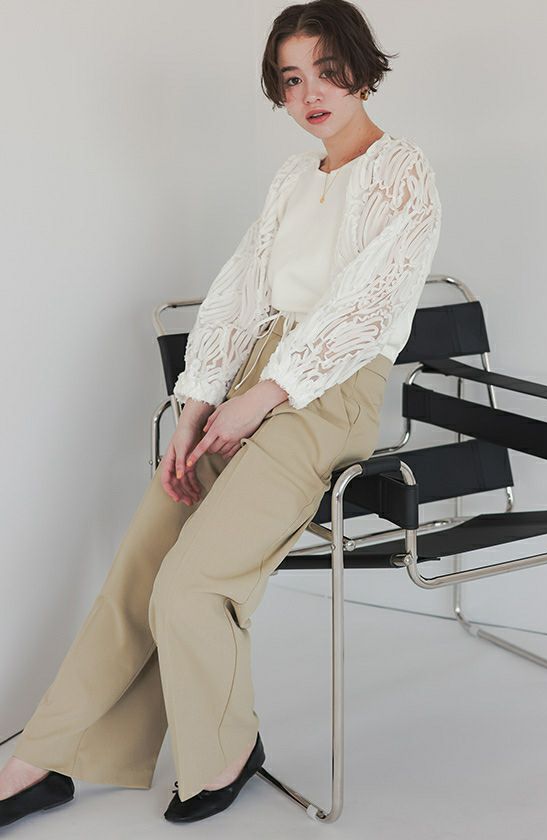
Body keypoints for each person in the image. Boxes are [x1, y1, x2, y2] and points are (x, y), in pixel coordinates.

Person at [0, 0, 441, 828]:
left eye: (327, 72)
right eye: (292, 79)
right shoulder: (292, 180)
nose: (310, 94)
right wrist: (198, 405)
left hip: (330, 397)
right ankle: (43, 758)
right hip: (253, 379)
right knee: (141, 567)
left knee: (191, 584)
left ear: (360, 68)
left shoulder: (402, 171)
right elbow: (241, 293)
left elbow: (365, 310)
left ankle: (229, 749)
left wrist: (261, 401)